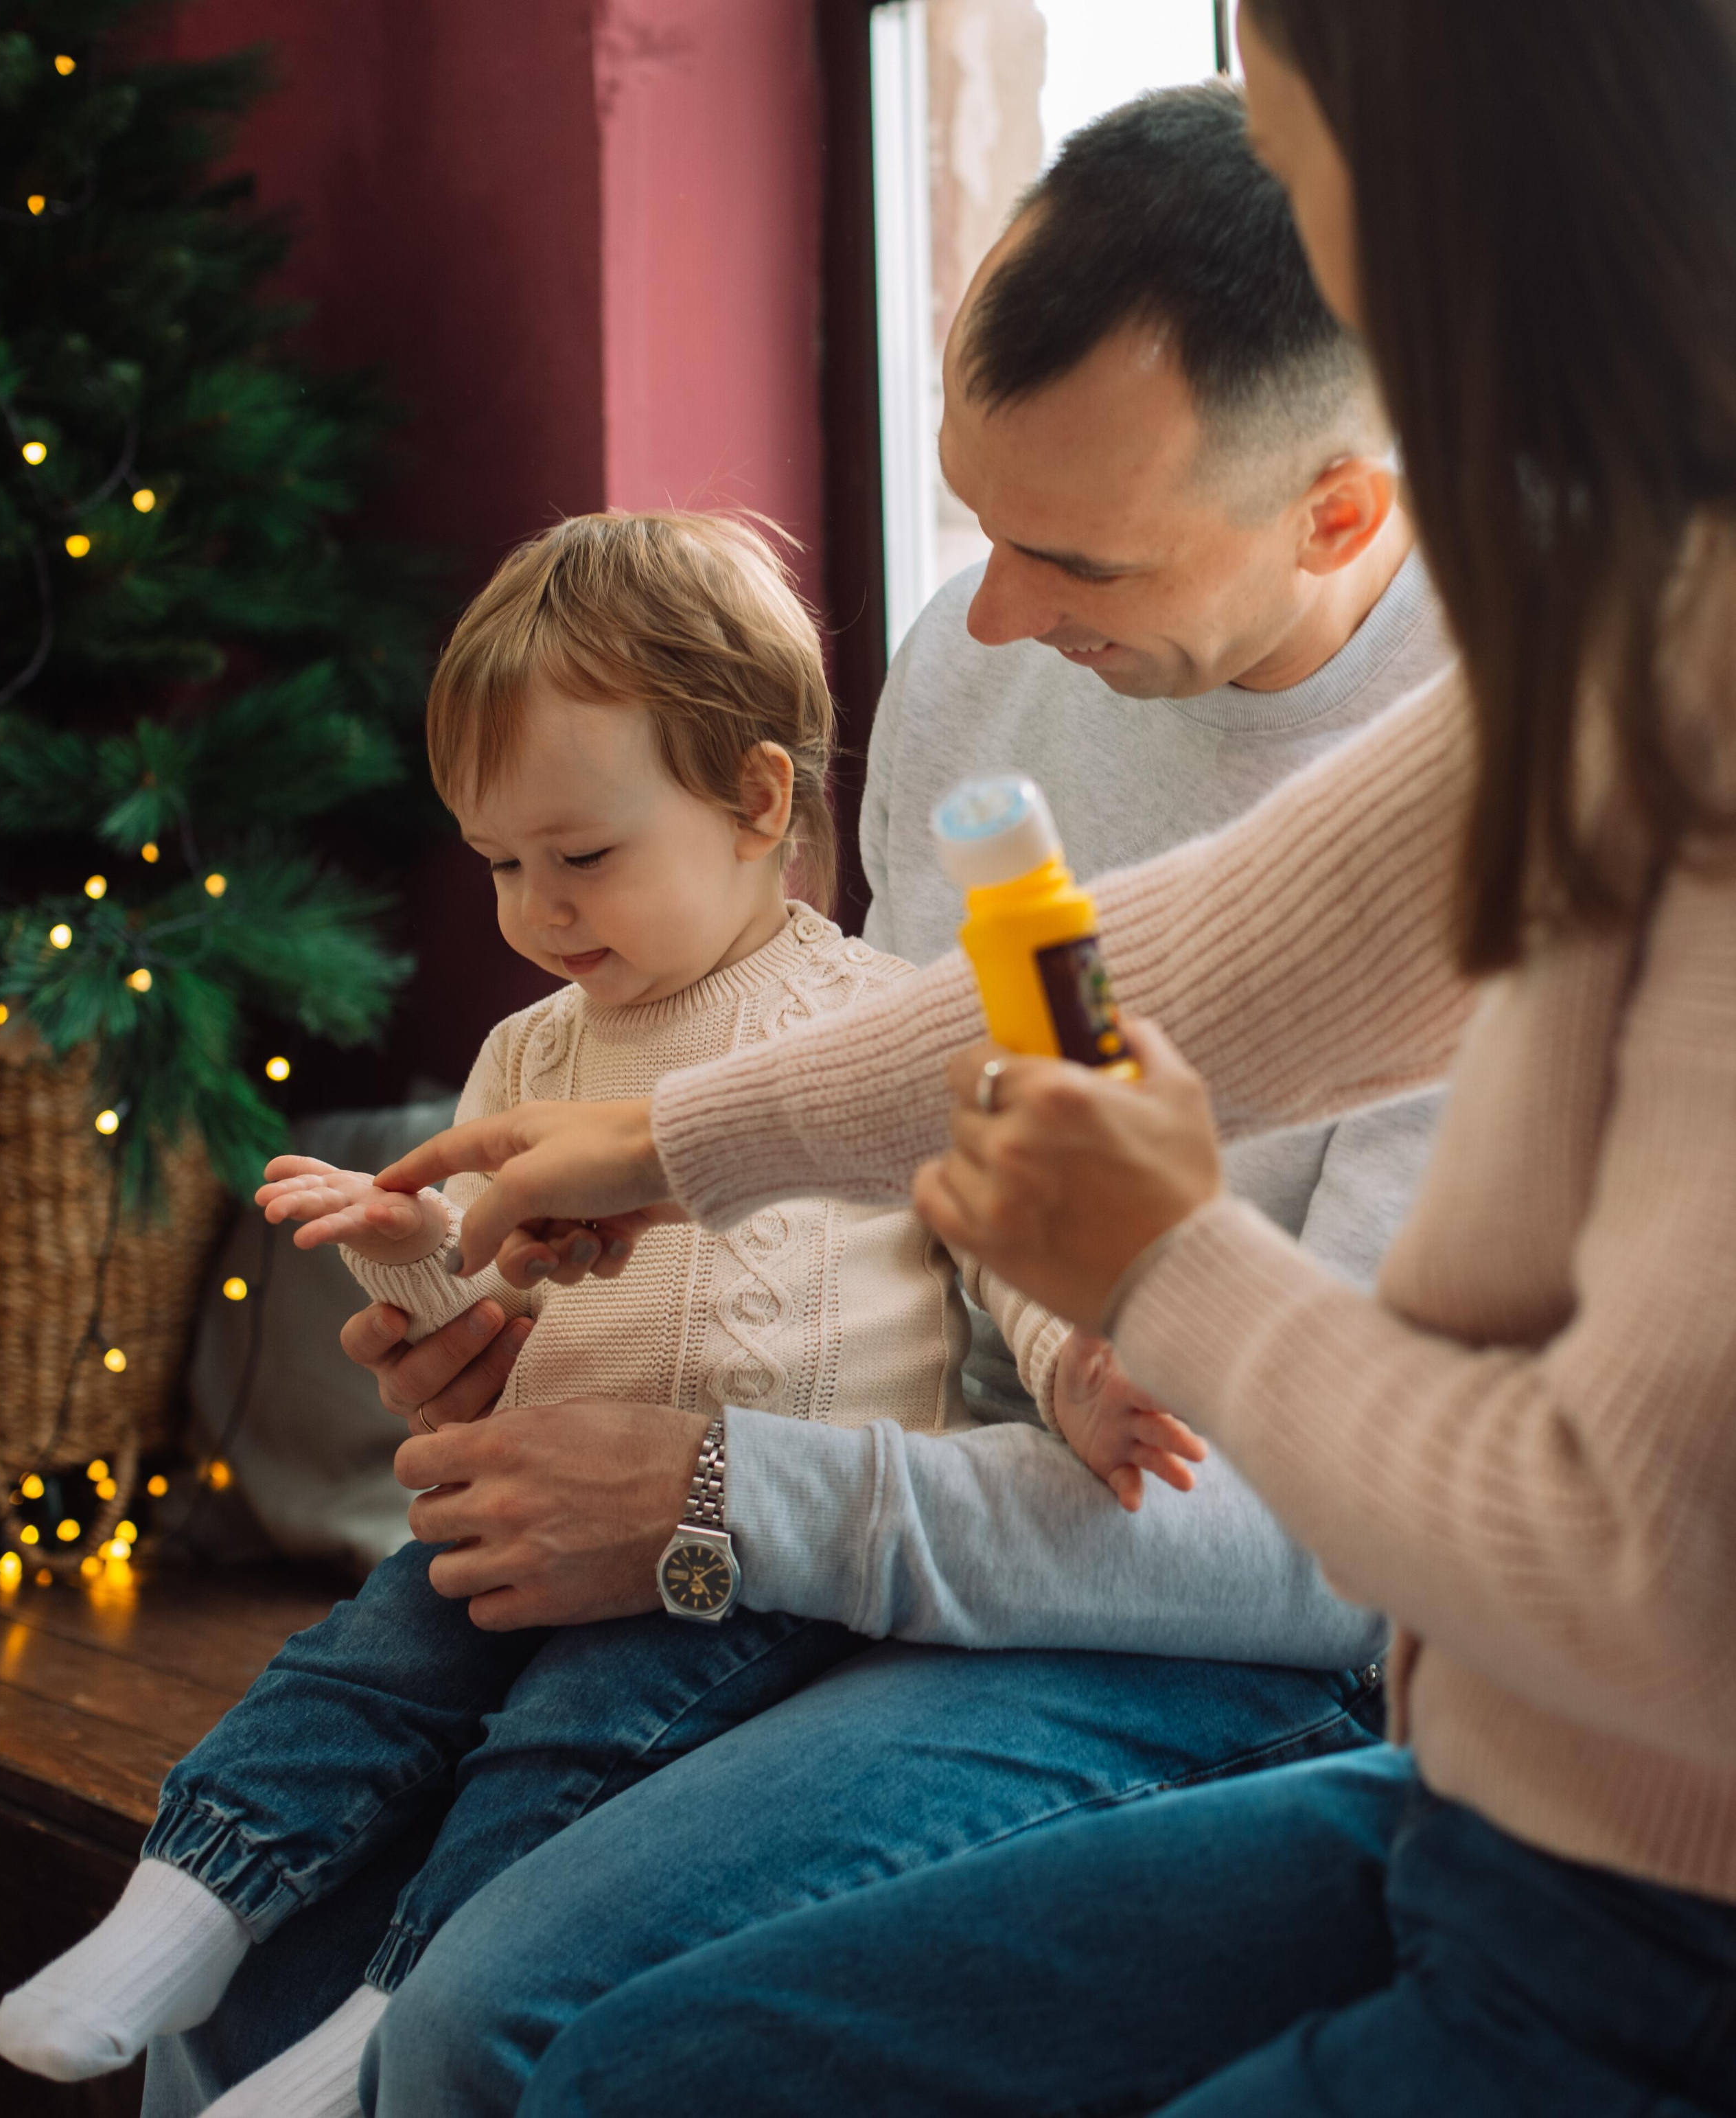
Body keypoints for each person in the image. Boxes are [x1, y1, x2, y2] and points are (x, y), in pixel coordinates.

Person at [394, 4, 1736, 2113]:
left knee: (511, 2028)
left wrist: (1138, 1281)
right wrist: (654, 1160)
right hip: (1460, 1780)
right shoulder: (1632, 625)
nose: (989, 622)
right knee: (609, 2041)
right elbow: (1191, 965)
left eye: (1329, 192)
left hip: (1532, 1833)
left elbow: (1557, 1551)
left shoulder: (1604, 646)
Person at [143, 89, 1448, 2117]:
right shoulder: (994, 653)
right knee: (241, 1920)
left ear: (1342, 513)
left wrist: (712, 1503)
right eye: (972, 520)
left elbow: (1327, 1549)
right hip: (927, 1483)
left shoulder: (1522, 779)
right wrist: (579, 1339)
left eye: (1067, 553)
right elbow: (934, 1139)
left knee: (498, 2018)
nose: (988, 620)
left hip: (1209, 1623)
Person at [0, 510, 1203, 2108]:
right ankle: (183, 1905)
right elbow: (489, 1299)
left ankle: (383, 2020)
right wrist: (397, 1249)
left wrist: (1082, 1375)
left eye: (581, 857)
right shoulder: (527, 1055)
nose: (539, 911)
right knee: (357, 1665)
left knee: (557, 1747)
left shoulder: (883, 1025)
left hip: (758, 1568)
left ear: (755, 801)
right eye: (499, 863)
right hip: (536, 1504)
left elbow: (1017, 1248)